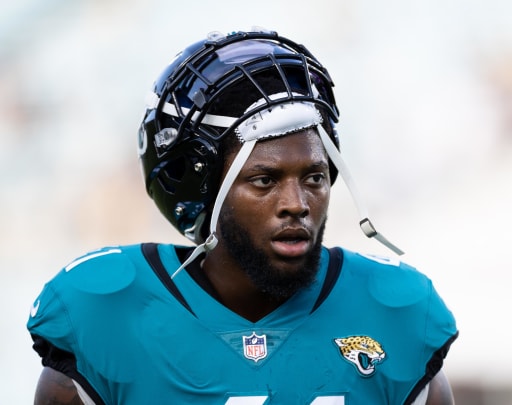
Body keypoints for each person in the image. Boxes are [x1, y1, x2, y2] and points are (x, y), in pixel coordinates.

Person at [27, 28, 458, 405]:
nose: (297, 203)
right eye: (265, 180)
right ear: (205, 191)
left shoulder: (394, 310)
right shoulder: (110, 311)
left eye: (313, 176)